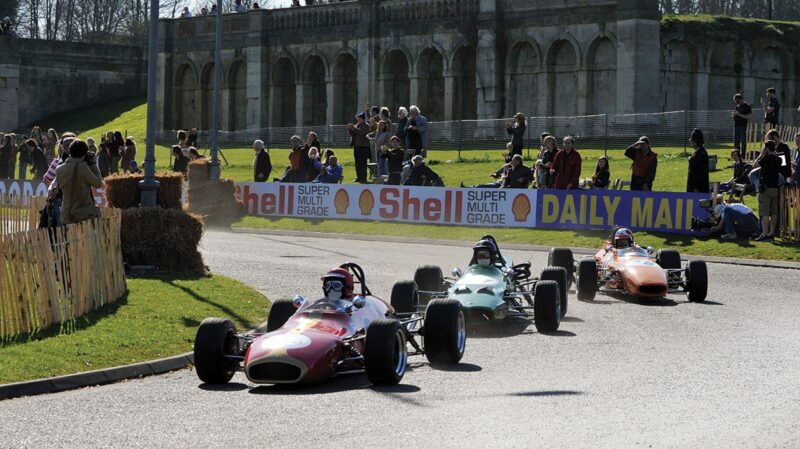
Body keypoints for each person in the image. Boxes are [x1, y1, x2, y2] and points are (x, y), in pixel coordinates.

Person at [55, 140, 103, 225]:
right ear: (84, 153)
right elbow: (98, 184)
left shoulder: (59, 169)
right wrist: (93, 164)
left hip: (66, 214)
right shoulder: (82, 168)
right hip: (81, 216)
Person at [753, 140, 781, 241]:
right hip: (775, 187)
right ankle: (771, 232)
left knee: (764, 212)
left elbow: (755, 165)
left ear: (767, 149)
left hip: (765, 188)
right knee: (773, 212)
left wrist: (761, 154)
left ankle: (764, 233)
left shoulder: (765, 159)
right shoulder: (778, 159)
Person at [347, 112, 371, 183]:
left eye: (359, 118)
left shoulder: (366, 125)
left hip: (364, 147)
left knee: (363, 163)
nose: (358, 119)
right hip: (357, 146)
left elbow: (362, 132)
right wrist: (350, 129)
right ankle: (359, 177)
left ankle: (363, 178)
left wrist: (354, 128)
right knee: (357, 163)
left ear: (362, 119)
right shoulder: (357, 125)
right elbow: (353, 134)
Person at [686, 129, 709, 193]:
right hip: (693, 186)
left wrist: (696, 187)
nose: (691, 142)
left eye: (692, 141)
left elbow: (700, 173)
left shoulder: (701, 154)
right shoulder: (698, 152)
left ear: (695, 142)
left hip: (698, 189)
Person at [732, 93, 752, 158]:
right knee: (736, 141)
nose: (737, 103)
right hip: (736, 126)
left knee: (743, 142)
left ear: (741, 99)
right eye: (736, 101)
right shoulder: (737, 106)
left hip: (743, 126)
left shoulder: (747, 106)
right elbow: (735, 115)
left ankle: (743, 155)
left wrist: (739, 114)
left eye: (737, 101)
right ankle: (737, 155)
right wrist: (733, 115)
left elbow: (749, 117)